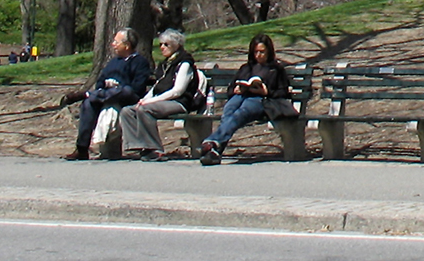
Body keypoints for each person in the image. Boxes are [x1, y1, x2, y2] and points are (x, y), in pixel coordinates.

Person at [59, 29, 153, 161]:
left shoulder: (140, 62)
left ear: (127, 45)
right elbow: (100, 82)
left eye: (116, 42)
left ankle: (87, 94)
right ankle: (81, 149)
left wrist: (117, 85)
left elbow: (137, 88)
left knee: (124, 90)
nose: (113, 44)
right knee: (88, 104)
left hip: (128, 98)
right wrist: (107, 84)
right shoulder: (113, 62)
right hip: (107, 95)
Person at [201, 34, 295, 166]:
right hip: (241, 97)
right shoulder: (246, 68)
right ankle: (214, 151)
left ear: (269, 51)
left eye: (262, 52)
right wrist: (235, 90)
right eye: (256, 52)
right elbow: (231, 88)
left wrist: (267, 92)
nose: (258, 55)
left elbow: (284, 91)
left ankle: (212, 142)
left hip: (261, 100)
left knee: (241, 113)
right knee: (229, 110)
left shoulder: (276, 69)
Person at [118, 29, 204, 161]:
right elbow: (156, 87)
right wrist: (144, 100)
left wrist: (151, 102)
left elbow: (177, 91)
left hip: (179, 102)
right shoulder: (165, 64)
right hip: (162, 101)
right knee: (127, 111)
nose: (162, 47)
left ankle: (154, 149)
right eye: (161, 44)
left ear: (176, 45)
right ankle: (138, 146)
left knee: (145, 109)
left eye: (166, 44)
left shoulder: (184, 63)